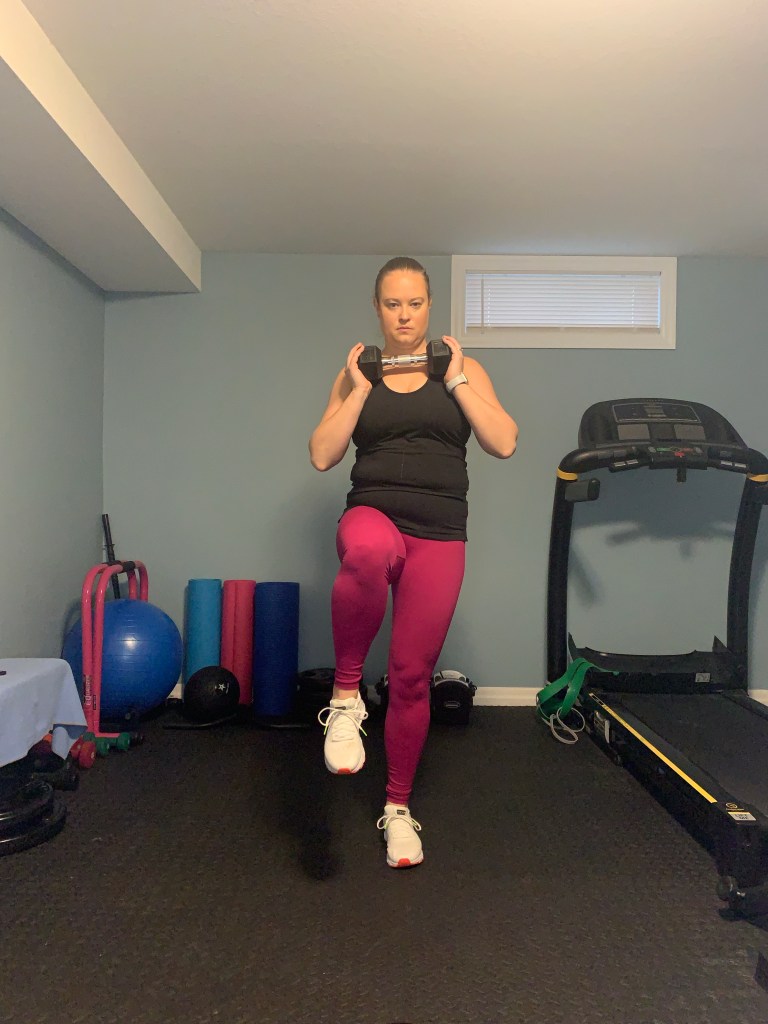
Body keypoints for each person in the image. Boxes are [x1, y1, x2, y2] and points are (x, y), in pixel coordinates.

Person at [308, 256, 517, 868]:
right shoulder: (358, 372)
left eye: (416, 303)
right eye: (393, 304)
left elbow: (504, 442)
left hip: (441, 533)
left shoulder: (461, 367)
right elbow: (322, 453)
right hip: (373, 513)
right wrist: (359, 387)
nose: (405, 315)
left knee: (409, 677)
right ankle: (346, 699)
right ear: (377, 308)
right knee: (368, 551)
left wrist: (456, 379)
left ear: (430, 306)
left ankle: (398, 810)